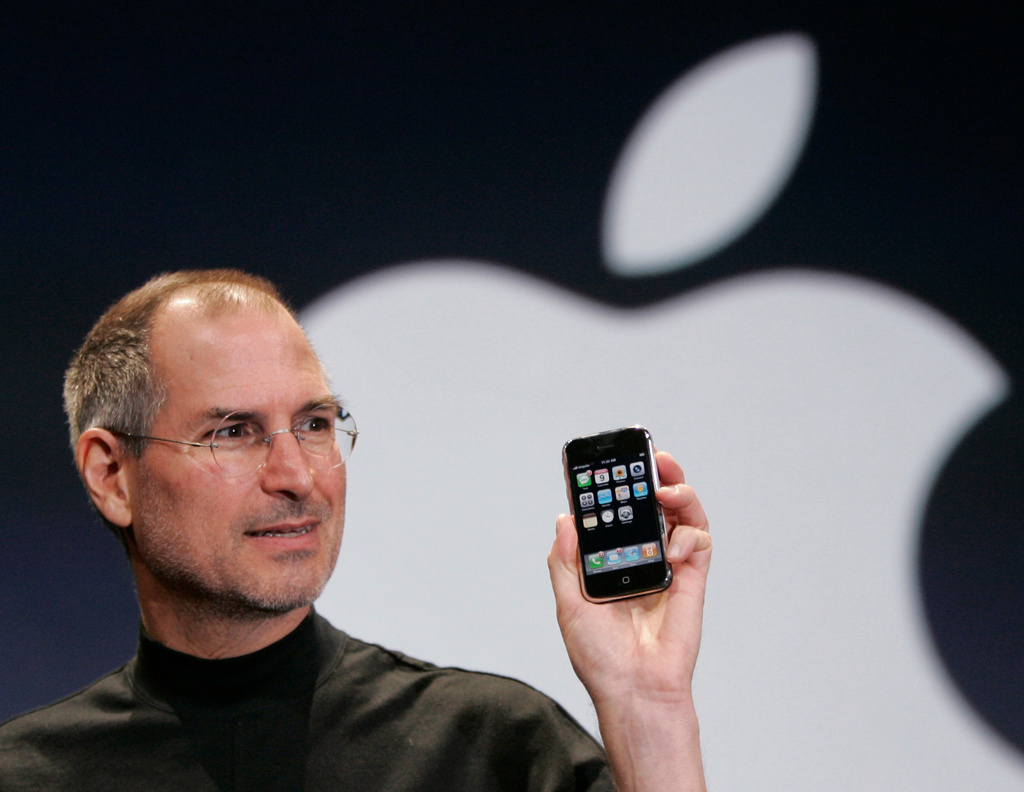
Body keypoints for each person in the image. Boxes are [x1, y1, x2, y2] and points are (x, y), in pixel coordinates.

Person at [0, 270, 712, 791]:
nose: (297, 476)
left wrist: (648, 706)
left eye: (313, 424)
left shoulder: (492, 750)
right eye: (233, 431)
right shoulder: (28, 775)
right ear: (111, 476)